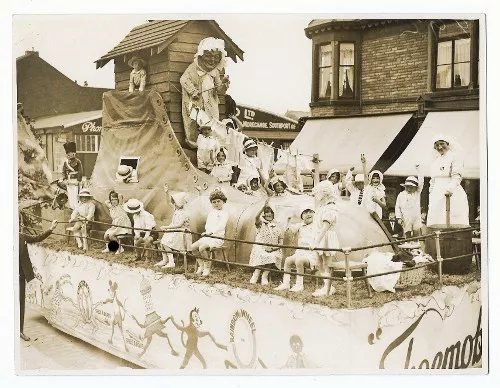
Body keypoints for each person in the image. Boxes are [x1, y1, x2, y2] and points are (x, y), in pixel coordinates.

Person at [180, 37, 230, 148]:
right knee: (195, 122)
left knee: (212, 123)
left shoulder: (215, 71)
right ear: (202, 55)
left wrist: (223, 84)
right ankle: (195, 144)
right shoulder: (193, 68)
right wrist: (193, 90)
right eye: (209, 56)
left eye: (216, 57)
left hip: (211, 103)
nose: (212, 60)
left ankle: (211, 144)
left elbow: (219, 89)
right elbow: (184, 79)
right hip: (197, 101)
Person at [19, 216, 58, 341]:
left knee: (20, 304)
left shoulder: (21, 236)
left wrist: (51, 228)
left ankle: (19, 330)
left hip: (20, 276)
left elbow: (37, 238)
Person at [427, 134, 469, 226]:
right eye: (437, 145)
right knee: (436, 219)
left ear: (447, 144)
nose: (440, 147)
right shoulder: (435, 161)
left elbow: (456, 176)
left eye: (442, 144)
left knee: (451, 220)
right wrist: (431, 193)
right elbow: (433, 180)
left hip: (450, 192)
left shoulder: (454, 157)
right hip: (436, 194)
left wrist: (450, 189)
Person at [275, 205, 316, 292]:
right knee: (288, 260)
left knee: (299, 261)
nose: (308, 214)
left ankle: (299, 285)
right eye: (305, 213)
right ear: (302, 217)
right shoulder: (300, 225)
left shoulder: (317, 225)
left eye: (310, 212)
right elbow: (288, 229)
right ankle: (286, 283)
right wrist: (288, 220)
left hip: (312, 254)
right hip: (301, 252)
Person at [309, 180, 340, 297]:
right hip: (320, 236)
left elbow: (325, 227)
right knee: (319, 263)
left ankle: (328, 287)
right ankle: (327, 285)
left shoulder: (330, 208)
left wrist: (316, 242)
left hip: (325, 237)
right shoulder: (322, 206)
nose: (316, 196)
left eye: (318, 193)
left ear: (325, 193)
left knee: (326, 263)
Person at [190, 189, 229, 277]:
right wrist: (207, 232)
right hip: (208, 236)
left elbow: (221, 226)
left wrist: (210, 233)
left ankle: (207, 267)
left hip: (217, 238)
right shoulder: (211, 212)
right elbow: (208, 225)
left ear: (223, 201)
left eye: (218, 201)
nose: (216, 204)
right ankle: (201, 265)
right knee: (193, 247)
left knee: (202, 248)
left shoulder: (225, 214)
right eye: (214, 202)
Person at [248, 200, 284, 285]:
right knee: (263, 254)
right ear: (264, 214)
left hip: (273, 248)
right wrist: (262, 208)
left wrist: (273, 248)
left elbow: (281, 242)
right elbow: (256, 218)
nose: (269, 214)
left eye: (271, 212)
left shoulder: (278, 226)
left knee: (273, 256)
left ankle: (265, 275)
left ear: (274, 214)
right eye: (267, 212)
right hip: (260, 246)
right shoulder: (261, 224)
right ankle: (256, 274)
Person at [156, 185, 191, 269]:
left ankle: (171, 262)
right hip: (175, 231)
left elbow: (179, 225)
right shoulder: (176, 210)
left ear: (180, 203)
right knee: (162, 242)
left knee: (165, 242)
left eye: (175, 202)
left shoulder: (185, 213)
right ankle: (165, 260)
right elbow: (168, 202)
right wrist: (166, 192)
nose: (174, 203)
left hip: (182, 233)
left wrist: (167, 227)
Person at [395, 167, 424, 239]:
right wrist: (399, 218)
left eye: (411, 187)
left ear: (416, 188)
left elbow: (421, 182)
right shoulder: (401, 195)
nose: (409, 189)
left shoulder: (417, 193)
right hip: (406, 218)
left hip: (416, 218)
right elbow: (397, 207)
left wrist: (419, 170)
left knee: (416, 235)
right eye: (407, 187)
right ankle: (408, 248)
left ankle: (415, 248)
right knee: (407, 235)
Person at [62, 141, 83, 210]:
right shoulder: (66, 162)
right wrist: (65, 179)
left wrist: (78, 180)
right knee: (70, 196)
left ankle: (77, 209)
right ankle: (72, 209)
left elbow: (80, 171)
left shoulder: (78, 161)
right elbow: (63, 171)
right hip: (69, 181)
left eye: (70, 153)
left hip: (75, 181)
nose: (68, 154)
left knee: (76, 196)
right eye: (67, 153)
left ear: (74, 153)